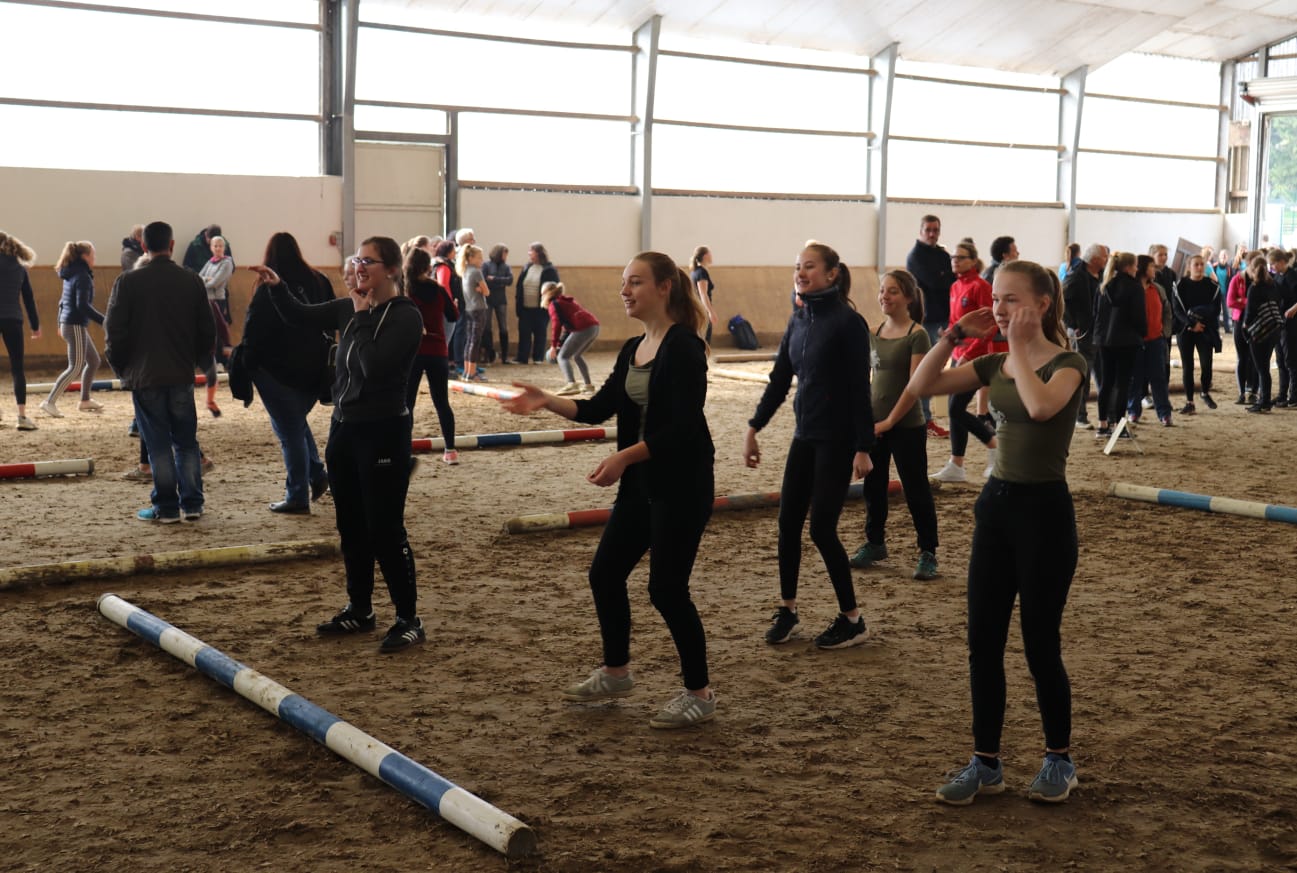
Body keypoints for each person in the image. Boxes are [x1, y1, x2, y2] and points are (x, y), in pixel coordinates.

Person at [498, 251, 716, 728]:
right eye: (623, 282)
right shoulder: (632, 348)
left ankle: (699, 694)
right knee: (605, 574)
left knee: (667, 590)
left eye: (635, 282)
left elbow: (682, 430)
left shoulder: (684, 348)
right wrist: (545, 400)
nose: (624, 291)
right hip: (641, 483)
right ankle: (616, 672)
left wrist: (623, 457)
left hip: (682, 484)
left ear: (664, 288)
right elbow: (598, 408)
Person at [908, 259, 1087, 806]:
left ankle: (1059, 758)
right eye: (997, 299)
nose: (1000, 308)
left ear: (1043, 305)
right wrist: (955, 334)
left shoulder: (1069, 363)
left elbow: (1039, 408)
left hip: (1044, 514)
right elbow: (921, 386)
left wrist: (1018, 347)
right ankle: (985, 762)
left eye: (1012, 299)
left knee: (1039, 644)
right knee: (982, 643)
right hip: (997, 508)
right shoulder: (993, 362)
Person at [250, 237, 426, 653]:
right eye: (358, 259)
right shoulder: (349, 308)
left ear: (392, 269)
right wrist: (278, 288)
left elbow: (373, 365)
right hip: (345, 428)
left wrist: (362, 317)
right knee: (351, 525)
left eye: (370, 261)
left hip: (383, 430)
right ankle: (360, 609)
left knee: (385, 529)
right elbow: (299, 316)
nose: (360, 267)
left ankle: (408, 619)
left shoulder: (405, 316)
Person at [747, 241, 875, 650]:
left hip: (837, 440)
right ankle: (788, 610)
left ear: (832, 273)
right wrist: (754, 426)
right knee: (788, 523)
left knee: (821, 529)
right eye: (797, 267)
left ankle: (852, 619)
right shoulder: (799, 319)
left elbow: (860, 389)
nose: (800, 273)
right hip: (805, 435)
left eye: (809, 267)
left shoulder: (848, 323)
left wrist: (863, 446)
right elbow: (779, 380)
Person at [105, 221, 214, 524]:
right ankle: (193, 504)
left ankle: (166, 507)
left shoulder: (127, 282)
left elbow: (114, 332)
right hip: (180, 373)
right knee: (186, 442)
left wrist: (123, 369)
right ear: (172, 245)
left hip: (145, 375)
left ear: (144, 246)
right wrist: (194, 360)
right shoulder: (191, 280)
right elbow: (207, 330)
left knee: (158, 445)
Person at [848, 269, 939, 581]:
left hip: (906, 425)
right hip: (874, 425)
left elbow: (914, 386)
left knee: (916, 488)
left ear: (908, 298)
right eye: (882, 291)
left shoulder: (917, 335)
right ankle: (875, 542)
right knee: (873, 487)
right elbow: (866, 380)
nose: (884, 296)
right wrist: (867, 421)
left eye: (893, 291)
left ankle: (928, 551)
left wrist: (889, 421)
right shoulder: (873, 333)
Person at [242, 232, 336, 513]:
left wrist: (247, 363)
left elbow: (254, 329)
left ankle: (297, 495)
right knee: (293, 423)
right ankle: (316, 474)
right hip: (314, 368)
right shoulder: (320, 281)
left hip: (277, 371)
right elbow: (330, 320)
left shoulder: (267, 288)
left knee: (289, 430)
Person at [932, 241, 1000, 482]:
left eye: (961, 257)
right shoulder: (955, 286)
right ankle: (956, 464)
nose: (955, 261)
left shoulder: (981, 286)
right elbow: (955, 323)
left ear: (973, 260)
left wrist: (969, 354)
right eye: (953, 257)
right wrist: (948, 343)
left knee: (955, 408)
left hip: (977, 357)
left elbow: (990, 326)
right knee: (955, 409)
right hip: (959, 356)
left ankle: (994, 445)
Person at [404, 246, 460, 465]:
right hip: (437, 351)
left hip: (413, 351)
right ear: (428, 267)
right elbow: (453, 316)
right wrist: (454, 305)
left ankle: (404, 450)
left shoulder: (405, 289)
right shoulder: (438, 289)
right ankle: (450, 450)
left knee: (407, 402)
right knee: (442, 402)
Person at [41, 241, 105, 418]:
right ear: (85, 256)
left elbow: (62, 301)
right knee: (75, 367)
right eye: (93, 255)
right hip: (74, 324)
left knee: (93, 361)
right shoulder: (82, 276)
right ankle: (49, 402)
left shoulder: (72, 272)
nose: (95, 258)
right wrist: (104, 321)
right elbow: (82, 306)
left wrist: (59, 323)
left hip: (70, 323)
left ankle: (85, 400)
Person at [906, 215, 953, 439]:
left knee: (937, 369)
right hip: (927, 320)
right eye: (928, 230)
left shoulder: (942, 255)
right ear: (921, 231)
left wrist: (945, 277)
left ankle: (924, 416)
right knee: (926, 369)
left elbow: (948, 281)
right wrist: (945, 276)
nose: (932, 234)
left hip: (944, 318)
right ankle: (923, 418)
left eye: (936, 230)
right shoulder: (915, 257)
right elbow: (936, 282)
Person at [1093, 252, 1146, 438]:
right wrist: (1142, 333)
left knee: (1106, 382)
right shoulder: (1135, 287)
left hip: (1104, 341)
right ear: (1128, 267)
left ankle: (1102, 424)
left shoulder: (1104, 285)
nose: (1137, 269)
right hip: (1127, 341)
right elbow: (1139, 316)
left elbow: (1096, 314)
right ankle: (1119, 426)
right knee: (1123, 384)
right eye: (1136, 265)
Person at [1062, 244, 1107, 429]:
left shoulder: (1103, 275)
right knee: (1082, 375)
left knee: (1103, 374)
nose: (1107, 260)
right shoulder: (1075, 277)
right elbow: (1063, 303)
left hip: (1100, 333)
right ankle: (1079, 416)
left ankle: (1108, 415)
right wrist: (1074, 325)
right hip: (1082, 334)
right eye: (1104, 257)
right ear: (1094, 259)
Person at [0, 230, 41, 431]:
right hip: (13, 320)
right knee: (17, 369)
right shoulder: (19, 267)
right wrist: (35, 325)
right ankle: (22, 417)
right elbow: (28, 299)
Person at [1126, 255, 1173, 427]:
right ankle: (1133, 411)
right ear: (1143, 268)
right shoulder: (1131, 289)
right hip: (1135, 342)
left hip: (1155, 340)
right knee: (1135, 379)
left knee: (1159, 378)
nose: (1155, 270)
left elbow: (1167, 311)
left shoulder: (1158, 289)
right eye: (1152, 266)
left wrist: (1164, 332)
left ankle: (1165, 414)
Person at [1174, 254, 1221, 414]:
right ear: (1189, 267)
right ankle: (1189, 402)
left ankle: (1204, 392)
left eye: (1202, 264)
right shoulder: (1180, 285)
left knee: (1206, 365)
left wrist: (1201, 322)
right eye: (1196, 264)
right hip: (1186, 330)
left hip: (1205, 329)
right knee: (1188, 367)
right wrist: (1191, 324)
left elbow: (1216, 309)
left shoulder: (1212, 285)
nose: (1200, 267)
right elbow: (1177, 310)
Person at [543, 281, 600, 395]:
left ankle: (571, 384)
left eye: (542, 294)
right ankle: (588, 386)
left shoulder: (554, 304)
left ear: (546, 293)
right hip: (594, 327)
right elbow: (567, 328)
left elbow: (556, 325)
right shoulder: (565, 301)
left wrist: (553, 346)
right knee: (577, 355)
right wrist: (559, 344)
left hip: (583, 328)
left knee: (562, 357)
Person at [198, 235, 234, 416]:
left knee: (220, 331)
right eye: (215, 246)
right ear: (211, 248)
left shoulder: (227, 262)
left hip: (218, 301)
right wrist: (206, 280)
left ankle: (221, 361)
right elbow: (200, 278)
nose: (218, 248)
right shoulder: (210, 262)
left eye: (221, 246)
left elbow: (215, 282)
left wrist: (206, 280)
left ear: (224, 248)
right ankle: (215, 362)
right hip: (207, 300)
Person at [1243, 255, 1283, 414]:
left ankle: (1264, 401)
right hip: (1274, 329)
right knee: (1265, 366)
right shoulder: (1273, 285)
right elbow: (1279, 303)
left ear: (1252, 269)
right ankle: (1265, 400)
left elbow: (1250, 312)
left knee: (1261, 368)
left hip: (1259, 331)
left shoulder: (1254, 287)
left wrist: (1245, 326)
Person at [515, 242, 559, 364]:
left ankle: (538, 358)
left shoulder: (549, 269)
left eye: (531, 251)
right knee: (524, 332)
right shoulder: (527, 267)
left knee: (540, 332)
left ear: (539, 253)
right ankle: (522, 357)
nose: (529, 253)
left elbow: (554, 288)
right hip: (525, 307)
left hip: (541, 308)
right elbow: (519, 286)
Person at [457, 243, 490, 382]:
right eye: (479, 258)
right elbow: (487, 292)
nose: (481, 260)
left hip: (469, 308)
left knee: (470, 340)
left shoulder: (464, 271)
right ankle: (472, 373)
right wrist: (481, 290)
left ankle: (467, 371)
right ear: (470, 258)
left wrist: (479, 289)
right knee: (475, 342)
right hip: (479, 308)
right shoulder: (476, 272)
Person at [1227, 257, 1257, 405]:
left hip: (1257, 323)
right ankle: (1241, 393)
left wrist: (1242, 300)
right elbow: (1230, 301)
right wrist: (1248, 301)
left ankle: (1253, 391)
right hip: (1239, 321)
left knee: (1254, 358)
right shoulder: (1236, 279)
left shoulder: (1261, 281)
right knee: (1242, 357)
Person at [1270, 248, 1297, 408]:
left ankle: (1294, 396)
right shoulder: (1277, 277)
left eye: (1273, 264)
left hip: (1291, 324)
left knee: (1291, 360)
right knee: (1280, 360)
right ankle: (1282, 395)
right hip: (1279, 323)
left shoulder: (1293, 276)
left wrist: (1294, 308)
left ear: (1281, 262)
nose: (1272, 267)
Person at [482, 244, 512, 365]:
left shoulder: (506, 267)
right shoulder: (486, 265)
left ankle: (505, 356)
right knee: (487, 327)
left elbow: (509, 280)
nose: (505, 257)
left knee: (503, 327)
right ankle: (489, 355)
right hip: (488, 299)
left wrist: (494, 279)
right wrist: (500, 281)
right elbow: (484, 280)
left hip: (501, 299)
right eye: (504, 254)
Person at [690, 245, 718, 345]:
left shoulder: (696, 271)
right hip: (702, 309)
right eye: (710, 254)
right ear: (705, 256)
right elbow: (703, 294)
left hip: (698, 308)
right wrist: (710, 312)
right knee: (704, 339)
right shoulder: (701, 272)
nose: (712, 256)